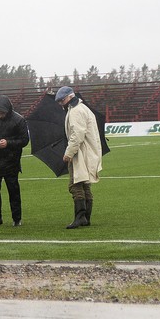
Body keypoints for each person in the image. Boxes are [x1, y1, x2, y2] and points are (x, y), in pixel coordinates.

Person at [54, 86, 102, 229]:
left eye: (62, 100)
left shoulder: (75, 111)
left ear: (69, 97)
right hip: (88, 152)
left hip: (81, 153)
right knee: (85, 184)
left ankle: (80, 217)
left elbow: (77, 135)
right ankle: (86, 217)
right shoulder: (83, 108)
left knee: (75, 185)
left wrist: (68, 153)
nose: (61, 103)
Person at [0, 95, 30, 227]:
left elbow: (25, 140)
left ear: (8, 109)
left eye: (2, 112)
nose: (0, 114)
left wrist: (8, 143)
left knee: (13, 191)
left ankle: (16, 219)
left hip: (12, 162)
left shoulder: (19, 120)